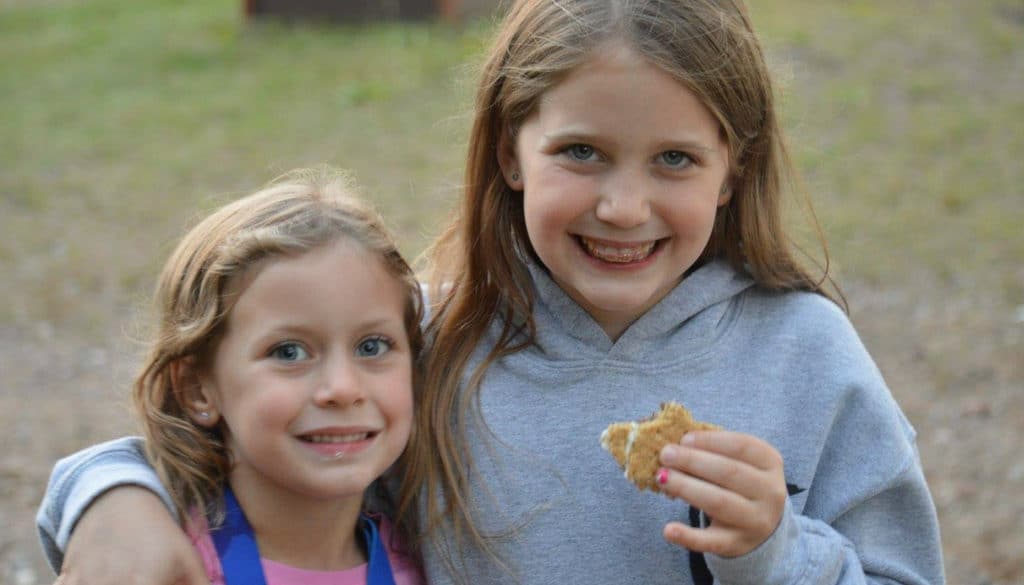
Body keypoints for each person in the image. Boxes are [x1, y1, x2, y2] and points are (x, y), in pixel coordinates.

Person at [38, 1, 946, 584]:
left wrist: (777, 550)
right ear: (511, 150)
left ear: (730, 170)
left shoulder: (808, 356)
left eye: (674, 159)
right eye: (580, 151)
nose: (622, 206)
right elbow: (231, 431)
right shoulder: (432, 338)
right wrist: (110, 496)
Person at [38, 168, 426, 584]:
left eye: (372, 346)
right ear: (196, 388)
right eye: (288, 352)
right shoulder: (156, 565)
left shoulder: (433, 560)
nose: (343, 389)